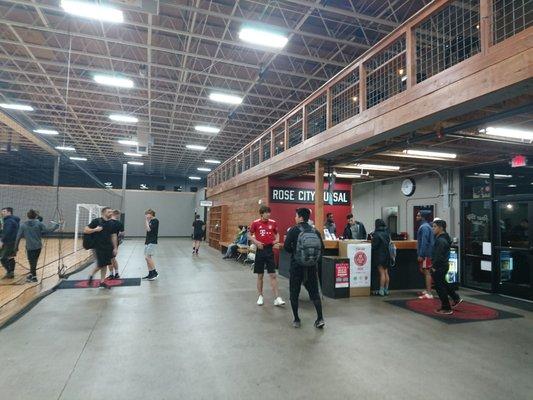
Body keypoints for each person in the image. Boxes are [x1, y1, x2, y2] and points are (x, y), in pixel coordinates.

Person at [284, 208, 325, 329]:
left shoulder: (294, 230)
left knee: (294, 293)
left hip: (297, 266)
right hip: (311, 266)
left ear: (301, 217)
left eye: (296, 216)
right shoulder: (315, 231)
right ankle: (320, 318)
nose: (295, 218)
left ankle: (296, 319)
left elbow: (286, 247)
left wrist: (296, 253)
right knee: (314, 293)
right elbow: (322, 249)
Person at [248, 205, 285, 307]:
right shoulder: (255, 223)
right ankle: (260, 296)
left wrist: (276, 240)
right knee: (260, 275)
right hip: (260, 250)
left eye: (269, 212)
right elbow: (248, 234)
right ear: (262, 213)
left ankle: (277, 298)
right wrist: (256, 242)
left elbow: (277, 234)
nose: (268, 214)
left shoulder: (273, 223)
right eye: (266, 212)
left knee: (273, 274)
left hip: (269, 250)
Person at [15, 209, 60, 283]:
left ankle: (34, 276)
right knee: (34, 261)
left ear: (27, 216)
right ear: (36, 216)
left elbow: (18, 237)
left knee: (31, 261)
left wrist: (16, 247)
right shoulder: (39, 224)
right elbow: (48, 231)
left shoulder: (23, 225)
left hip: (29, 247)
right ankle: (32, 274)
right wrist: (56, 226)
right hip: (38, 246)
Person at [431, 219, 462, 314]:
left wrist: (434, 266)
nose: (433, 229)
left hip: (439, 266)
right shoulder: (444, 238)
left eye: (435, 227)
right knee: (443, 283)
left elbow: (438, 255)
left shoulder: (440, 240)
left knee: (439, 287)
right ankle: (456, 298)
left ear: (441, 228)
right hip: (444, 265)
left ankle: (446, 307)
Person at [84, 207, 118, 289]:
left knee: (105, 264)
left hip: (108, 247)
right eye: (108, 212)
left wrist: (115, 248)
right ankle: (91, 275)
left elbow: (113, 236)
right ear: (103, 213)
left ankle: (102, 282)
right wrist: (95, 229)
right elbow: (86, 230)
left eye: (111, 212)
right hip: (97, 247)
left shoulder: (112, 223)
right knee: (101, 264)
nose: (111, 213)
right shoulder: (96, 221)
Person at [416, 210, 435, 299]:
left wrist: (421, 254)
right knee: (424, 271)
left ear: (422, 217)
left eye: (418, 215)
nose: (417, 217)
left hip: (426, 254)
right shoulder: (426, 226)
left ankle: (429, 293)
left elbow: (424, 242)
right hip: (427, 253)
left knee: (427, 272)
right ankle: (427, 290)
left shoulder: (424, 227)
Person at [371, 219, 392, 296]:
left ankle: (381, 290)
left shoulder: (376, 234)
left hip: (379, 255)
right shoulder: (387, 233)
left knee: (382, 273)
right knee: (386, 272)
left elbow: (374, 246)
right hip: (387, 255)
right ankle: (386, 290)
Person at [0, 207, 20, 279]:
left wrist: (2, 241)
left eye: (4, 211)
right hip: (13, 242)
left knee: (2, 258)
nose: (2, 213)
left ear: (9, 212)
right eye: (2, 211)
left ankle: (9, 272)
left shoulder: (9, 221)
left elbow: (7, 232)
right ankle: (11, 273)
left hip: (8, 242)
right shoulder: (13, 220)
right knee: (10, 257)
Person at [107, 209, 124, 280]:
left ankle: (111, 274)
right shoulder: (119, 223)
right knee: (113, 258)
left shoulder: (107, 222)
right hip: (115, 242)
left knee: (109, 258)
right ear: (117, 214)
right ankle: (116, 273)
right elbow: (122, 233)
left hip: (107, 242)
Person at [143, 209, 159, 280]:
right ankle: (150, 273)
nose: (146, 216)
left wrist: (146, 221)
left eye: (147, 214)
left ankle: (155, 272)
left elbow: (149, 229)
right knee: (146, 258)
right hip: (148, 241)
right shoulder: (150, 221)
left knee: (148, 257)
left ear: (151, 214)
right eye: (146, 214)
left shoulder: (155, 221)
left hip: (152, 241)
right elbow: (147, 230)